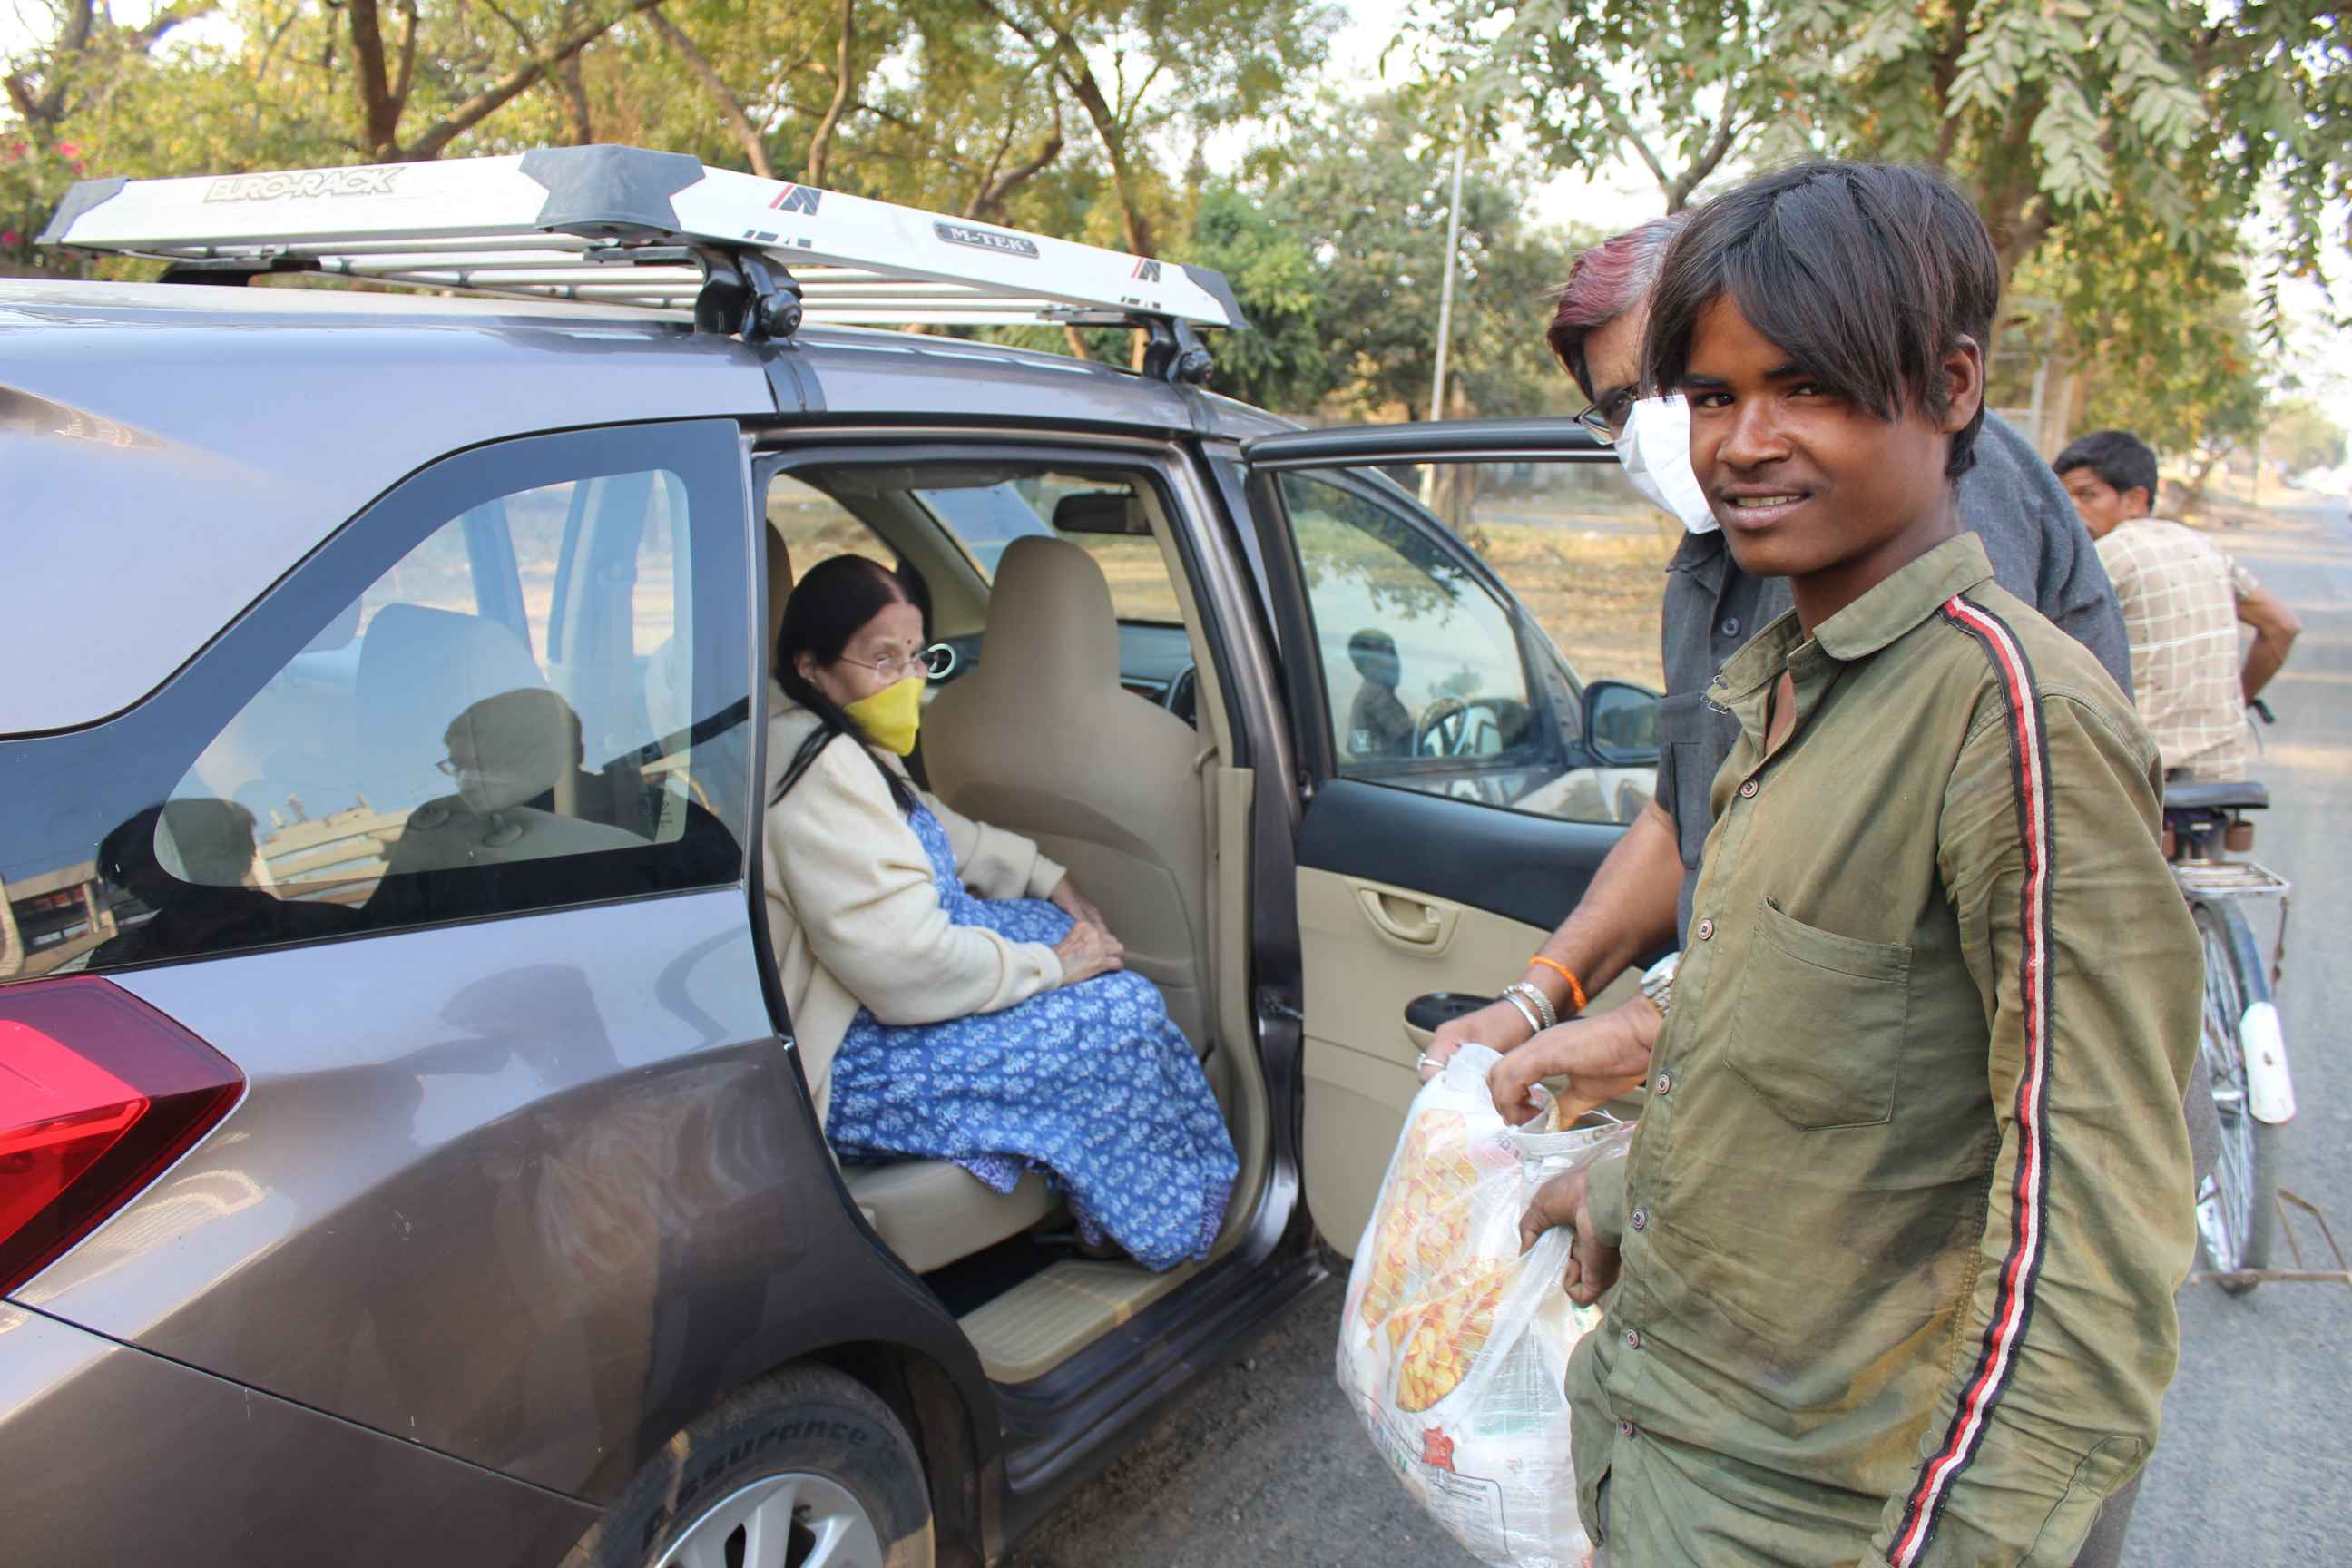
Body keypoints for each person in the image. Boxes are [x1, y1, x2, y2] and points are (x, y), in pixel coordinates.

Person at [1514, 161, 2200, 1568]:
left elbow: (2089, 1255)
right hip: (1660, 1463)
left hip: (1842, 1518)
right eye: (1709, 398)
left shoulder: (2016, 723)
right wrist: (1622, 1191)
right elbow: (1787, 1062)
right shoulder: (1786, 690)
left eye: (1808, 387)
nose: (1744, 442)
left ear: (1952, 390)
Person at [1423, 209, 2132, 1139]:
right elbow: (1687, 820)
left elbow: (1902, 887)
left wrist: (1656, 1022)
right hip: (1761, 1119)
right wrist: (1536, 1000)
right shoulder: (1713, 563)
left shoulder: (1939, 497)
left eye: (1679, 387)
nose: (1708, 433)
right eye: (1620, 407)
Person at [760, 554, 1236, 1271]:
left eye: (917, 656)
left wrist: (1046, 879)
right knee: (1125, 1009)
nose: (908, 680)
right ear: (812, 666)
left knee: (1065, 940)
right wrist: (1054, 968)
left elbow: (926, 821)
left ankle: (1116, 1185)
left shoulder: (823, 734)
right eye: (882, 660)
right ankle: (1150, 1218)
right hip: (856, 1057)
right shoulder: (816, 769)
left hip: (877, 998)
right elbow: (908, 969)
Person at [2055, 429, 2301, 779]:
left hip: (2137, 771)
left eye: (2087, 495)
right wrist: (2237, 703)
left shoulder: (2106, 555)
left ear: (2135, 500)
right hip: (2221, 767)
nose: (2071, 510)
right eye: (2064, 497)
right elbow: (2282, 626)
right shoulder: (2204, 546)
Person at [1345, 628, 1416, 757]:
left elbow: (1360, 751)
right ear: (1367, 664)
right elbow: (1414, 743)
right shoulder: (1376, 697)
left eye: (1394, 653)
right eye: (1388, 653)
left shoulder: (1363, 698)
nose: (1395, 662)